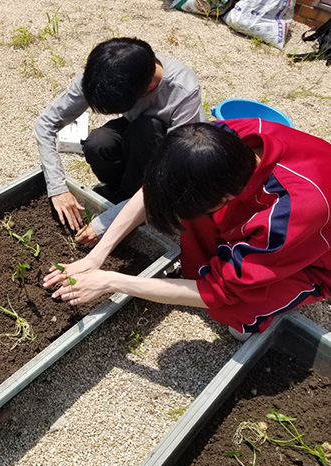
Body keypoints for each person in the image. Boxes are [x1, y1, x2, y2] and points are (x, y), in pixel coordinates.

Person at [44, 118, 331, 339]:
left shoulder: (289, 211)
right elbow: (158, 186)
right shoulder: (220, 139)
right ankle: (209, 264)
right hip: (270, 219)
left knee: (238, 313)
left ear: (225, 200)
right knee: (189, 213)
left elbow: (219, 292)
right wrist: (97, 256)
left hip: (313, 258)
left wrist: (111, 281)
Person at [34, 37, 206, 232]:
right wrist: (57, 188)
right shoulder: (107, 71)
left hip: (172, 149)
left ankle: (140, 203)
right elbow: (45, 123)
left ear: (148, 87)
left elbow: (177, 169)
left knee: (145, 129)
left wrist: (107, 223)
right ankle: (120, 191)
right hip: (135, 130)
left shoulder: (182, 90)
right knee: (98, 143)